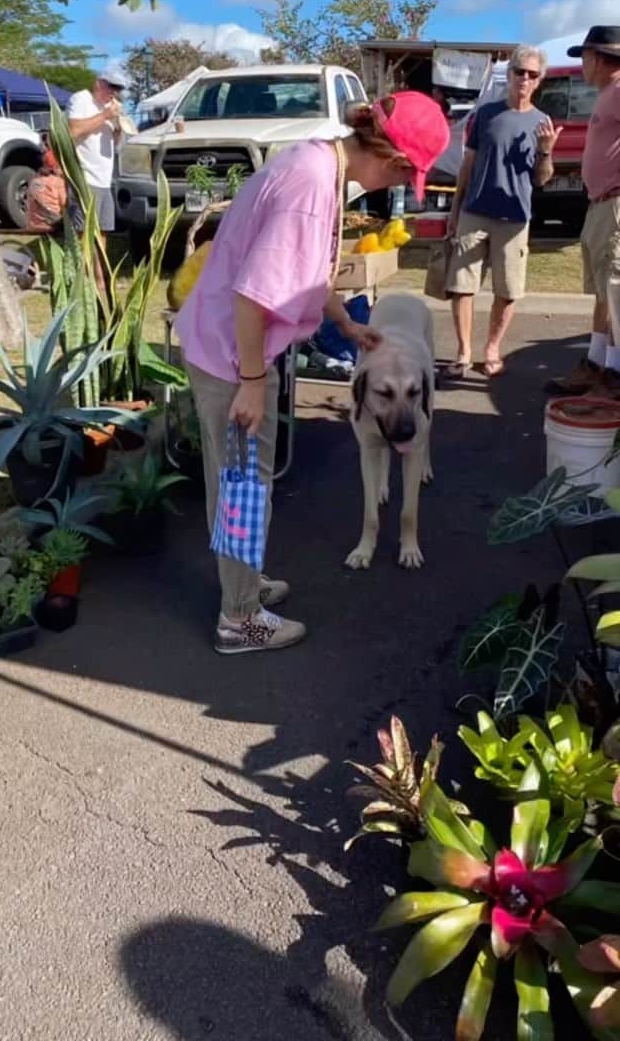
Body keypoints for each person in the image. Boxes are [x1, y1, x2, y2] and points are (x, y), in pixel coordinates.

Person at [174, 93, 450, 656]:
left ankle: (242, 587)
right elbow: (254, 296)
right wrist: (253, 382)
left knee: (236, 487)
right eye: (406, 174)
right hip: (234, 356)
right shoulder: (309, 188)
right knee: (243, 491)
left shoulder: (317, 163)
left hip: (225, 347)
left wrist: (347, 325)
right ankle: (240, 618)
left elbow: (302, 273)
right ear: (396, 161)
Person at [444, 45, 561, 378]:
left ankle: (492, 348)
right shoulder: (485, 114)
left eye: (532, 74)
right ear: (509, 74)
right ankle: (463, 352)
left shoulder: (542, 123)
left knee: (508, 291)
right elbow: (467, 165)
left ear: (539, 81)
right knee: (462, 285)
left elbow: (541, 180)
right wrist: (455, 209)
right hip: (474, 212)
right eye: (519, 71)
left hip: (514, 218)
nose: (524, 79)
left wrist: (545, 152)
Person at [546, 26, 620, 398]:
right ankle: (597, 365)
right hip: (601, 204)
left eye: (585, 57)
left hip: (616, 205)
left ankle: (614, 373)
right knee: (604, 292)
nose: (582, 65)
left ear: (602, 58)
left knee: (616, 291)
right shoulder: (609, 93)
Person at [66, 65, 128, 234]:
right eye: (112, 86)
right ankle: (83, 262)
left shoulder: (109, 109)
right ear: (98, 84)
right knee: (83, 233)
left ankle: (99, 262)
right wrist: (105, 116)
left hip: (104, 182)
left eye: (118, 89)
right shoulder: (82, 99)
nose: (114, 92)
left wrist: (118, 128)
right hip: (85, 179)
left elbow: (115, 145)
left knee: (103, 232)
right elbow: (73, 131)